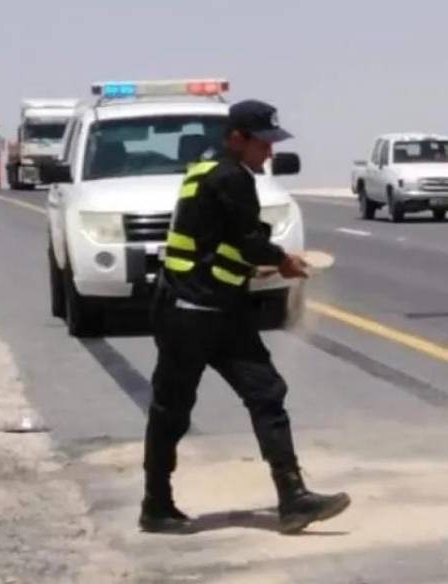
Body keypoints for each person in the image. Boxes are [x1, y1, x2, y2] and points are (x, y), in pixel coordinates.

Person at [140, 99, 351, 534]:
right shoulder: (231, 177)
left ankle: (293, 499)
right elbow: (248, 240)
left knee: (265, 392)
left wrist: (260, 267)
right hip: (190, 314)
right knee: (173, 407)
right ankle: (156, 506)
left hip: (216, 309)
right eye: (263, 143)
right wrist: (282, 261)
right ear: (237, 138)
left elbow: (215, 244)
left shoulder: (206, 171)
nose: (269, 152)